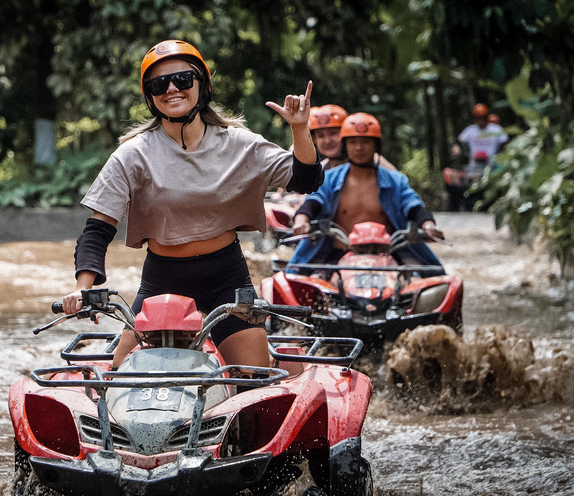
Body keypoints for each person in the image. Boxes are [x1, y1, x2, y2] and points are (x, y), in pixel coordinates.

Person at [60, 40, 323, 369]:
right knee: (119, 379)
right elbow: (98, 229)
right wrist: (82, 289)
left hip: (226, 277)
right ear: (150, 96)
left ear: (203, 85)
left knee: (253, 379)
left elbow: (307, 180)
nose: (172, 88)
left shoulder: (240, 143)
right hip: (162, 280)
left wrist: (300, 129)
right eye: (159, 84)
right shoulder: (132, 154)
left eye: (183, 79)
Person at [289, 112, 444, 274]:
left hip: (390, 253)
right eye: (353, 142)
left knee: (427, 283)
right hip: (336, 254)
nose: (359, 148)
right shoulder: (328, 178)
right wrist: (301, 221)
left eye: (365, 142)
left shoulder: (395, 180)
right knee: (306, 284)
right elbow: (312, 203)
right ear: (344, 146)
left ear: (376, 145)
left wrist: (428, 226)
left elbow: (413, 206)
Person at [308, 104, 397, 171]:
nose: (327, 141)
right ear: (314, 140)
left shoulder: (375, 162)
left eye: (333, 133)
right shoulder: (320, 170)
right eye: (320, 136)